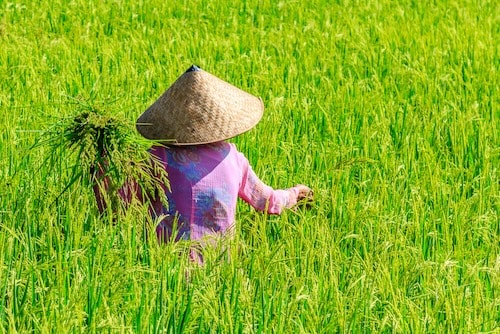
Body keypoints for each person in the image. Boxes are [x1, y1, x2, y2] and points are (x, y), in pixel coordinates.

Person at [93, 65, 313, 261]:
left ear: (171, 120)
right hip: (219, 273)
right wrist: (295, 194)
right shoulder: (233, 159)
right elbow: (267, 202)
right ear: (219, 119)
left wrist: (99, 166)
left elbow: (116, 209)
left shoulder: (157, 157)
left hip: (164, 272)